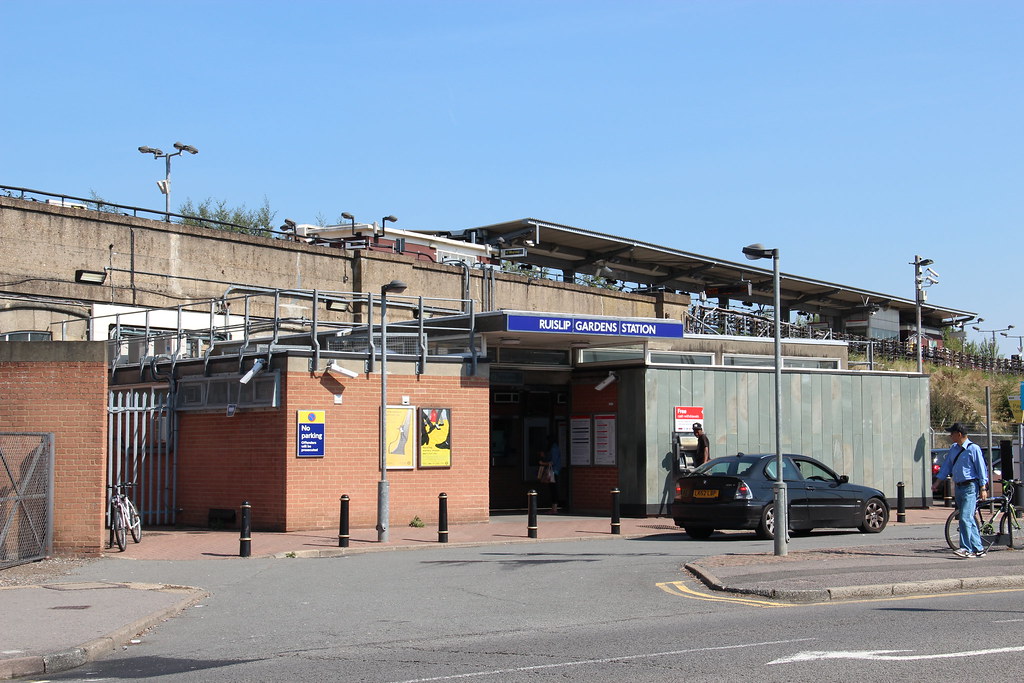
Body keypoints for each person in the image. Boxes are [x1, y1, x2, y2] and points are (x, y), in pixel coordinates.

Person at [936, 422, 989, 558]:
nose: (950, 436)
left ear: (959, 434)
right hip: (959, 486)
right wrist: (937, 482)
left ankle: (966, 548)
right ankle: (978, 548)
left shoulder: (973, 449)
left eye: (952, 433)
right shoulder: (954, 448)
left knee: (965, 517)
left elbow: (981, 469)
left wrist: (983, 487)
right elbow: (947, 466)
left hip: (970, 486)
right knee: (968, 518)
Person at [539, 435, 562, 513]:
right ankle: (554, 507)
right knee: (552, 488)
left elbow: (552, 462)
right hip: (554, 471)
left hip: (553, 471)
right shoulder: (553, 448)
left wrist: (543, 463)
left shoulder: (553, 448)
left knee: (553, 489)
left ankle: (554, 508)